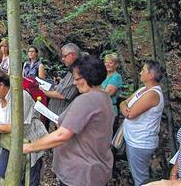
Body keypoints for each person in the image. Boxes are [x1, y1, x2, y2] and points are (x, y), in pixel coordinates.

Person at [23, 55, 114, 186]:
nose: (74, 82)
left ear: (89, 77)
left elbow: (62, 135)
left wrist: (30, 147)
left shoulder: (87, 100)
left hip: (81, 174)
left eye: (77, 79)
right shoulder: (104, 97)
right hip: (94, 169)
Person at [0, 69, 46, 185]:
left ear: (1, 85)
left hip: (30, 142)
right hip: (8, 143)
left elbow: (14, 127)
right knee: (1, 175)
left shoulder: (21, 97)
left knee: (29, 179)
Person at [120, 59, 165, 186]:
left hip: (140, 142)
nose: (140, 73)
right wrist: (124, 106)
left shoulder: (153, 94)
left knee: (140, 178)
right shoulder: (142, 90)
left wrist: (125, 108)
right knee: (137, 174)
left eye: (143, 70)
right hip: (133, 138)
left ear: (151, 75)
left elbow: (130, 114)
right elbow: (124, 102)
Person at [43, 43, 81, 117]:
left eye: (64, 56)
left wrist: (41, 91)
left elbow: (62, 95)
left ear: (72, 55)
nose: (62, 59)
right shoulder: (72, 69)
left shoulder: (77, 71)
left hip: (63, 116)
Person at [103, 53, 123, 119]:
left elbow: (106, 94)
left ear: (116, 65)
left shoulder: (116, 77)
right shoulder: (103, 75)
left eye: (110, 63)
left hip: (110, 111)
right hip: (101, 109)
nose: (107, 65)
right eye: (106, 62)